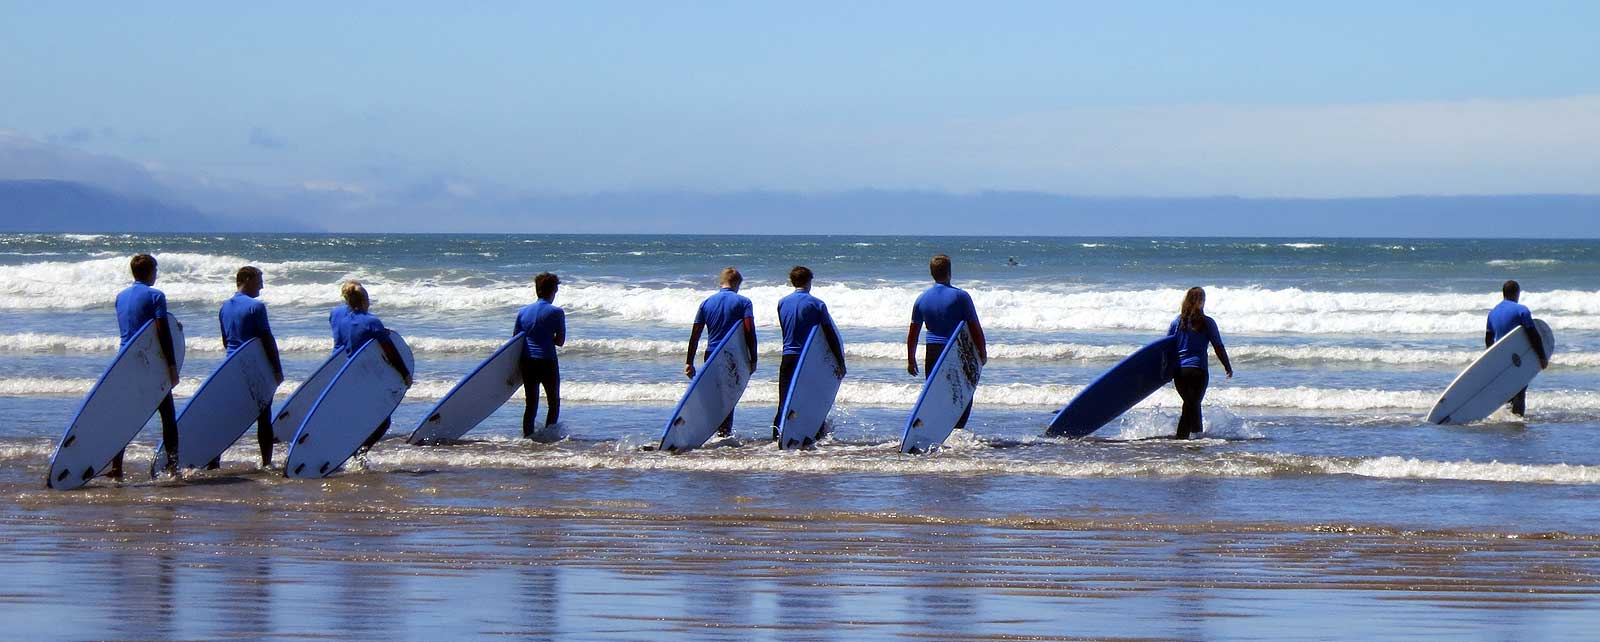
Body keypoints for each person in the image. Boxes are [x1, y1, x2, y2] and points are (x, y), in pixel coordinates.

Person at [112, 253, 181, 480]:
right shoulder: (156, 296)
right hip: (150, 364)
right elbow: (162, 331)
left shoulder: (120, 297)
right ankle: (172, 467)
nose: (157, 275)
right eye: (156, 270)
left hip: (123, 362)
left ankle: (116, 466)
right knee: (168, 416)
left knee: (124, 416)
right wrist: (171, 365)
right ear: (151, 272)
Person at [905, 254, 987, 430]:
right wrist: (982, 353)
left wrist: (911, 360)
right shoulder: (961, 297)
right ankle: (957, 430)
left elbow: (913, 333)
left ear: (932, 273)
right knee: (963, 393)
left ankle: (938, 430)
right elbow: (975, 327)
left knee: (937, 394)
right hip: (956, 351)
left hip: (932, 352)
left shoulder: (922, 298)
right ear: (949, 272)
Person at [218, 266, 285, 468]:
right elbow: (266, 339)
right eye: (259, 280)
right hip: (254, 369)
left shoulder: (224, 307)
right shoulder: (256, 307)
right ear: (246, 279)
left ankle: (213, 460)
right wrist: (276, 369)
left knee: (229, 416)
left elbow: (225, 340)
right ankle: (266, 463)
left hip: (231, 367)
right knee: (264, 416)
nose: (262, 286)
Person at [335, 282, 412, 456]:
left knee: (359, 416)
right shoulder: (372, 321)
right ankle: (360, 453)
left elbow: (340, 349)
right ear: (364, 300)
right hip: (368, 377)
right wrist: (405, 373)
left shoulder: (342, 321)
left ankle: (349, 451)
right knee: (383, 421)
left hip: (348, 376)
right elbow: (390, 351)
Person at [772, 266, 846, 440]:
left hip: (788, 357)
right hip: (808, 360)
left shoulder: (782, 303)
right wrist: (839, 362)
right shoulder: (817, 304)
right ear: (809, 281)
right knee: (812, 400)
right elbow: (829, 334)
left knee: (784, 400)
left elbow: (786, 329)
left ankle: (776, 438)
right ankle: (815, 436)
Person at [684, 267, 757, 436]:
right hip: (732, 356)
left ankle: (710, 431)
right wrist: (753, 359)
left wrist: (689, 362)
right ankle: (724, 434)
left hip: (711, 355)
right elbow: (749, 331)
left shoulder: (706, 303)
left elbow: (695, 334)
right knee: (729, 396)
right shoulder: (744, 302)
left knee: (714, 395)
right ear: (737, 283)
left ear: (721, 282)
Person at [1166, 287, 1233, 439]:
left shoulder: (1177, 322)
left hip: (1180, 373)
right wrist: (1227, 366)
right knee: (1192, 405)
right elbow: (1218, 346)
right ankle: (1189, 439)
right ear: (1201, 302)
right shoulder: (1207, 322)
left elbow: (1167, 346)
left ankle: (1191, 439)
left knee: (1191, 405)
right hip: (1198, 371)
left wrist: (1165, 370)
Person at [514, 272, 566, 440]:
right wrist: (547, 336)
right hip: (547, 361)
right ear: (552, 291)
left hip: (527, 362)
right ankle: (549, 437)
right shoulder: (557, 312)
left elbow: (515, 339)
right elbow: (560, 341)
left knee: (531, 403)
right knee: (553, 402)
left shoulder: (523, 312)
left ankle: (527, 437)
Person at [1486, 279, 1548, 417]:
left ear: (1503, 293)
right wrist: (1542, 357)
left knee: (1508, 391)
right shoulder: (1521, 310)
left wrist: (1490, 361)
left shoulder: (1492, 313)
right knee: (1520, 390)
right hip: (1516, 357)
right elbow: (1533, 334)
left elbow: (1488, 339)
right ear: (1517, 293)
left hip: (1500, 358)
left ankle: (1507, 420)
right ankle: (1517, 422)